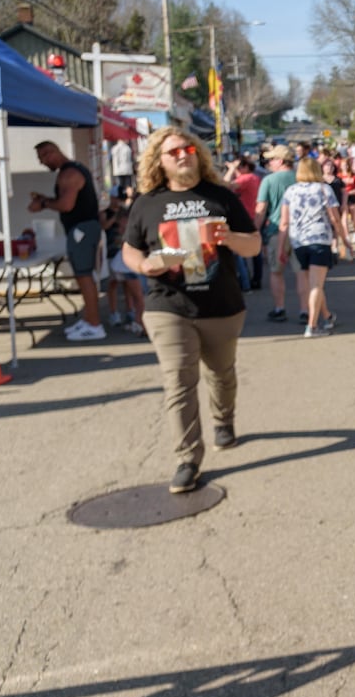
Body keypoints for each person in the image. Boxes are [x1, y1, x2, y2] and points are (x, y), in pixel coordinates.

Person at [121, 127, 261, 494]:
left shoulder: (221, 197)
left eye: (188, 148)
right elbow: (129, 250)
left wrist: (229, 237)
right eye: (173, 152)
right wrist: (144, 265)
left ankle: (224, 420)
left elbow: (254, 246)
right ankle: (187, 458)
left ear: (198, 153)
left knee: (222, 373)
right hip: (168, 305)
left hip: (222, 305)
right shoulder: (147, 202)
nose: (182, 155)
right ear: (159, 161)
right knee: (179, 382)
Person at [28, 140, 106, 341]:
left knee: (84, 275)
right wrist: (46, 200)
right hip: (83, 228)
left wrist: (44, 203)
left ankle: (95, 324)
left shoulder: (69, 174)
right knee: (83, 275)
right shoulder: (73, 170)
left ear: (51, 152)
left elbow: (66, 205)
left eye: (43, 157)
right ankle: (89, 319)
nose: (42, 162)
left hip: (81, 230)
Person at [278, 156, 351, 338]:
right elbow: (334, 218)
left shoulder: (290, 191)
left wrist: (281, 247)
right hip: (319, 239)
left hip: (299, 241)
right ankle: (312, 325)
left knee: (312, 284)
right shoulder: (323, 190)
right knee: (317, 285)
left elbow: (284, 222)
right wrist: (345, 240)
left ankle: (326, 315)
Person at [256, 145, 297, 321]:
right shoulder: (300, 178)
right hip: (300, 232)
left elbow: (261, 209)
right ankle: (305, 309)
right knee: (302, 273)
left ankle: (280, 308)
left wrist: (254, 231)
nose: (269, 163)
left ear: (280, 161)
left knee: (276, 271)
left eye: (271, 159)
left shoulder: (269, 181)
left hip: (275, 231)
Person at [101, 191, 145, 335]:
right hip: (123, 260)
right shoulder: (120, 215)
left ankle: (139, 323)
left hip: (129, 261)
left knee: (138, 295)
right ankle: (138, 322)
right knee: (137, 294)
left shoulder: (132, 217)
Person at [225, 154, 263, 290]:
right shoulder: (255, 177)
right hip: (254, 214)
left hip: (245, 216)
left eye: (239, 167)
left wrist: (231, 170)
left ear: (246, 167)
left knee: (240, 252)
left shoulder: (245, 179)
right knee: (256, 250)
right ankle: (256, 279)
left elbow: (225, 186)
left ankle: (245, 282)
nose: (237, 170)